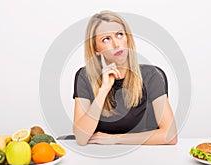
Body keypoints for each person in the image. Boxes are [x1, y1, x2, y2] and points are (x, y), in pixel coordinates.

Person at [72, 10, 177, 146]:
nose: (116, 44)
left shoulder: (151, 75)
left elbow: (170, 135)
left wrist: (116, 139)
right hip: (101, 158)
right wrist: (103, 91)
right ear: (96, 49)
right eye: (106, 39)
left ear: (128, 38)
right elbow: (81, 138)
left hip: (145, 156)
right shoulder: (84, 76)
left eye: (120, 35)